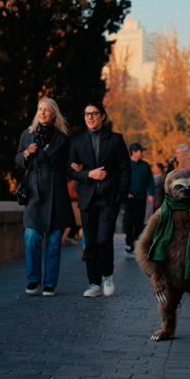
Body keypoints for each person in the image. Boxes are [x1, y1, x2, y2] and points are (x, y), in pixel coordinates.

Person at [68, 102, 131, 298]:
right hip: (87, 199)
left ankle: (107, 276)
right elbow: (70, 170)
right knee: (91, 243)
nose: (90, 117)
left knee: (104, 240)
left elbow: (125, 170)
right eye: (86, 114)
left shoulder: (115, 140)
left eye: (94, 114)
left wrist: (120, 195)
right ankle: (93, 283)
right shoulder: (77, 142)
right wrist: (89, 174)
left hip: (108, 199)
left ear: (102, 116)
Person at [16, 98, 75, 297]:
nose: (42, 113)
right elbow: (18, 158)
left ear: (53, 114)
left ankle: (50, 283)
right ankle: (33, 280)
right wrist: (26, 153)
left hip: (56, 188)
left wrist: (77, 168)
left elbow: (70, 163)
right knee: (31, 236)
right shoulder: (28, 135)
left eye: (47, 110)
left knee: (54, 239)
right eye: (40, 109)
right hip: (34, 190)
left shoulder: (63, 139)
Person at [123, 143, 154, 256]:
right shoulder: (126, 164)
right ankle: (129, 242)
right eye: (141, 151)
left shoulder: (145, 165)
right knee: (129, 220)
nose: (142, 153)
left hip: (141, 197)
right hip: (130, 198)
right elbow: (121, 180)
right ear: (134, 152)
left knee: (139, 221)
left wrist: (151, 194)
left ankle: (137, 244)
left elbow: (150, 180)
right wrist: (125, 191)